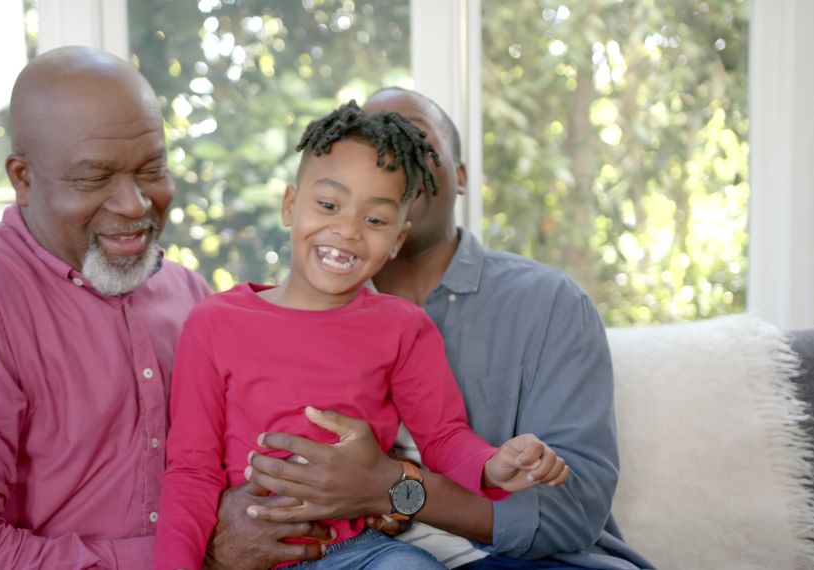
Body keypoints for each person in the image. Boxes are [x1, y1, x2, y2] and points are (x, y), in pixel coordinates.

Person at [223, 88, 655, 569]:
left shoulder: (549, 304)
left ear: (462, 176)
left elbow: (570, 513)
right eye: (378, 146)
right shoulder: (280, 317)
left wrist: (392, 489)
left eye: (417, 144)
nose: (395, 156)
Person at [154, 101, 569, 570]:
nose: (348, 231)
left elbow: (445, 436)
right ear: (291, 205)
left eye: (374, 220)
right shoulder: (215, 321)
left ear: (396, 238)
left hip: (357, 554)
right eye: (328, 205)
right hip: (250, 554)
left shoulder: (403, 327)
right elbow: (191, 469)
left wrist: (493, 466)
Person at [0, 46, 228, 569]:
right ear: (22, 178)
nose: (134, 204)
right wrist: (194, 554)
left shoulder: (191, 294)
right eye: (93, 178)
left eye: (152, 170)